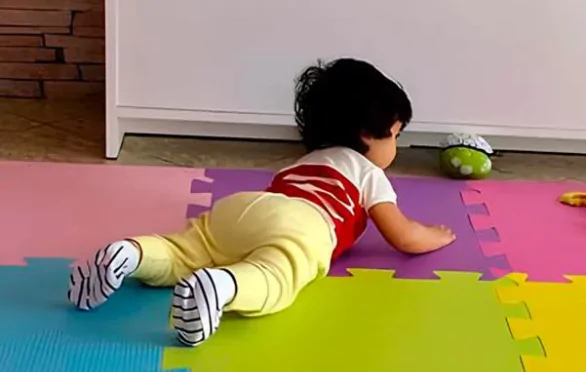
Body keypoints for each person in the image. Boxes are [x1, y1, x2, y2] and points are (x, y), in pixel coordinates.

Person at [67, 58, 456, 346]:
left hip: (245, 207)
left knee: (184, 250)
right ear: (367, 135)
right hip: (304, 225)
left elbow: (274, 209)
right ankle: (223, 285)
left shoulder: (307, 161)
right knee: (277, 275)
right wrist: (434, 236)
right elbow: (403, 235)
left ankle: (130, 253)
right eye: (395, 135)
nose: (396, 146)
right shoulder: (368, 173)